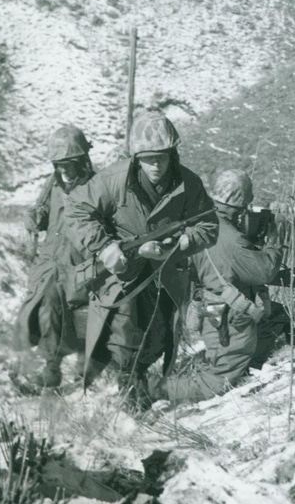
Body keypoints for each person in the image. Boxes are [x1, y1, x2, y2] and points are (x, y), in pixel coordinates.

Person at [68, 111, 218, 408]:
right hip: (122, 271)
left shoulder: (189, 184)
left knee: (160, 338)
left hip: (165, 273)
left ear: (172, 154)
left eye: (161, 157)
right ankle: (128, 395)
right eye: (147, 158)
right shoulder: (113, 180)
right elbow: (77, 210)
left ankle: (135, 377)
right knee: (125, 332)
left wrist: (180, 244)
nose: (155, 165)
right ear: (136, 157)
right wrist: (106, 246)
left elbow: (208, 226)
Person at [158, 170, 287, 405]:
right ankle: (154, 390)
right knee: (217, 383)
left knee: (280, 317)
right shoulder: (230, 237)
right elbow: (265, 270)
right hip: (229, 318)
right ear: (242, 204)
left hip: (212, 310)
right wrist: (274, 243)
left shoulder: (202, 222)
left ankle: (244, 361)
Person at [15, 125, 97, 391]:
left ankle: (78, 372)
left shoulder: (98, 188)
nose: (63, 171)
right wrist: (33, 218)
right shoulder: (53, 184)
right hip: (50, 264)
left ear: (82, 161)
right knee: (42, 311)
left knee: (68, 312)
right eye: (58, 165)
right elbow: (41, 213)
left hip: (80, 265)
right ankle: (48, 370)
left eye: (68, 165)